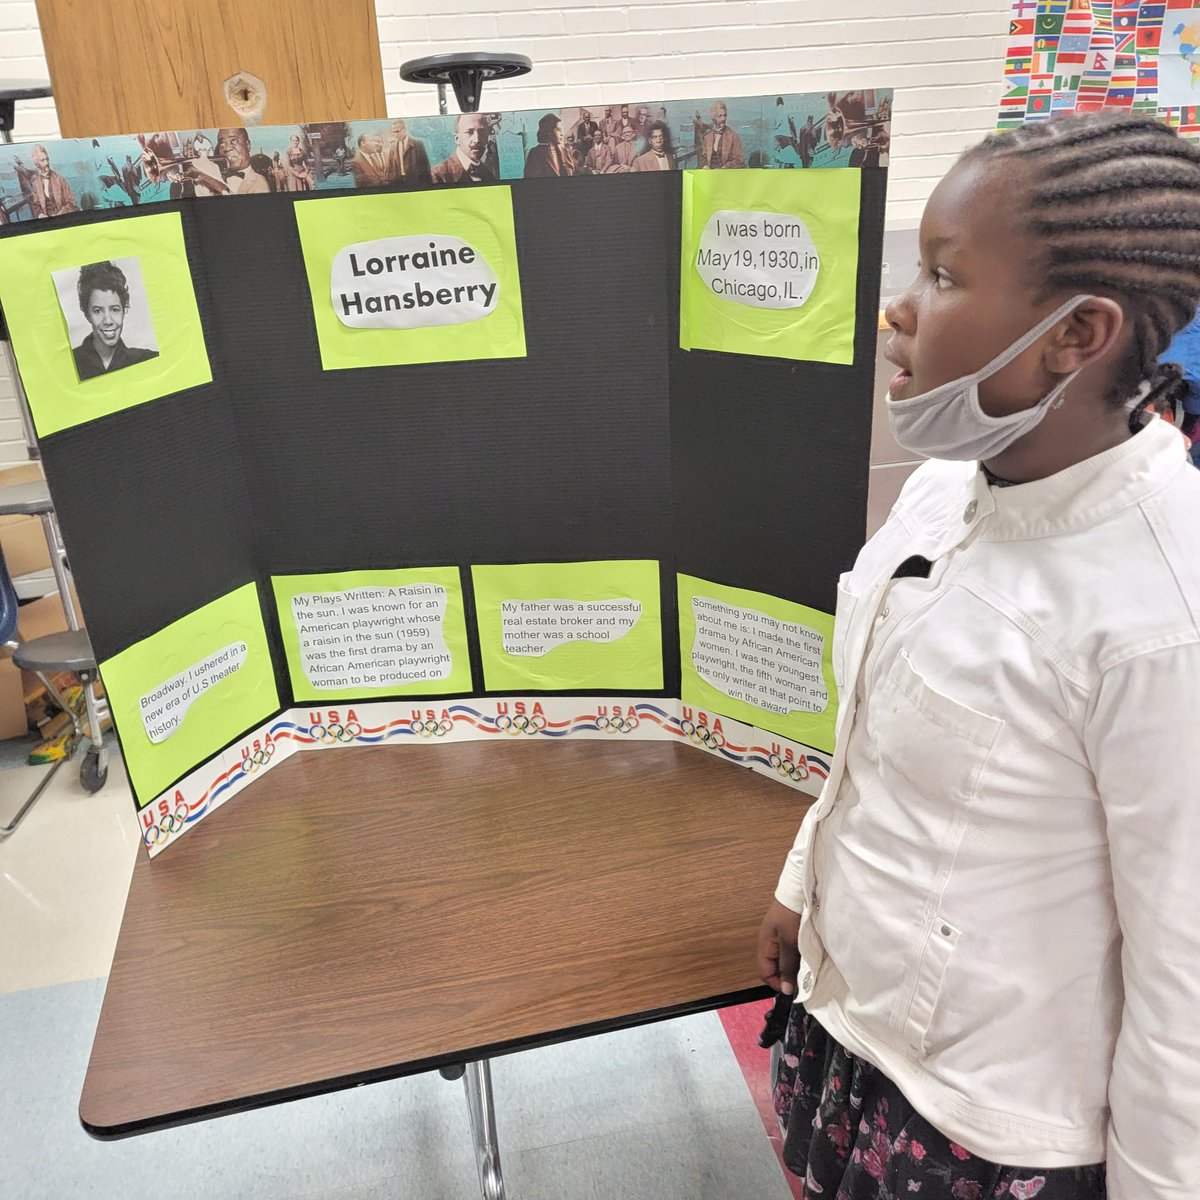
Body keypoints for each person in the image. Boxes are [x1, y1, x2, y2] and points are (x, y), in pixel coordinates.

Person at [757, 113, 1200, 1200]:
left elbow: (1183, 978)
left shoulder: (1163, 616)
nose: (896, 309)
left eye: (943, 275)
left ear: (1075, 333)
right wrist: (801, 882)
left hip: (989, 1130)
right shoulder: (941, 491)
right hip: (855, 1032)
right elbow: (869, 730)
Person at [71, 261, 158, 380]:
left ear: (124, 309)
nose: (108, 321)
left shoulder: (147, 359)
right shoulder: (71, 363)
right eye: (97, 311)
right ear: (87, 314)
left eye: (115, 309)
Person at [432, 112, 499, 185]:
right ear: (457, 139)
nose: (476, 140)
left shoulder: (489, 174)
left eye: (481, 132)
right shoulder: (436, 176)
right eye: (469, 132)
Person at [28, 143, 77, 217]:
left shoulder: (59, 179)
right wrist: (40, 215)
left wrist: (59, 215)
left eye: (47, 159)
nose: (46, 163)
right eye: (43, 160)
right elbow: (36, 206)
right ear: (37, 164)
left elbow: (72, 203)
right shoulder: (35, 184)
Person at [216, 127, 269, 194]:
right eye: (222, 143)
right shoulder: (214, 176)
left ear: (248, 145)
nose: (226, 148)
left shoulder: (260, 182)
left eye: (233, 140)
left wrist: (221, 189)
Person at [384, 119, 432, 186]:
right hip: (398, 184)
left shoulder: (418, 144)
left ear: (404, 129)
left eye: (398, 131)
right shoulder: (393, 148)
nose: (396, 134)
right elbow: (389, 169)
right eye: (393, 132)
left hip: (415, 183)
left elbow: (425, 167)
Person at [702, 101, 744, 168]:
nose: (723, 119)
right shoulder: (707, 137)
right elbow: (703, 157)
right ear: (713, 119)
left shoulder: (734, 136)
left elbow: (739, 160)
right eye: (720, 116)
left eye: (725, 115)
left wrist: (726, 167)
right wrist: (705, 166)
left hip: (727, 174)